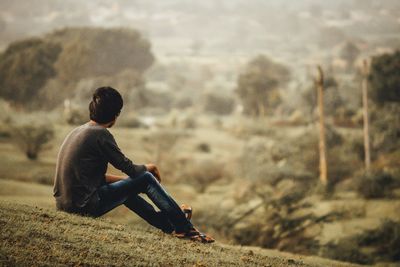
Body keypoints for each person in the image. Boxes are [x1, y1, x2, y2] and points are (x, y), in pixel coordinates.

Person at [53, 86, 214, 243]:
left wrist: (128, 184)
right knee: (146, 178)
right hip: (83, 207)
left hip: (64, 205)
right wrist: (150, 168)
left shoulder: (78, 131)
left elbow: (93, 178)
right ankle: (184, 227)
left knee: (128, 192)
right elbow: (130, 169)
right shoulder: (101, 134)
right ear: (116, 115)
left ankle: (170, 226)